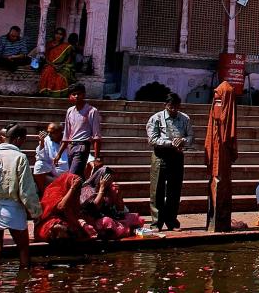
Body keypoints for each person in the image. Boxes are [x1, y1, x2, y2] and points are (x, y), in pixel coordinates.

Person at [0, 124, 42, 271]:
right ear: (18, 139)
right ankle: (23, 283)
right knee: (23, 248)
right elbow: (26, 191)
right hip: (12, 208)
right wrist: (36, 212)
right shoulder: (20, 157)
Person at [147, 93, 193, 231]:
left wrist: (183, 141)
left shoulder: (185, 118)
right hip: (161, 155)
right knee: (157, 189)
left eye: (176, 107)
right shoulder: (155, 118)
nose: (173, 110)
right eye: (171, 107)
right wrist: (171, 143)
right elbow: (152, 139)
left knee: (174, 189)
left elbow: (190, 136)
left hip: (177, 155)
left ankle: (171, 221)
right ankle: (156, 222)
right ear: (166, 106)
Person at [204, 81, 239, 232]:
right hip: (216, 151)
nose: (216, 104)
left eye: (219, 101)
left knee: (222, 182)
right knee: (214, 180)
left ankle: (221, 221)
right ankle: (213, 222)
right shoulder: (213, 127)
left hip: (223, 156)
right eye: (215, 101)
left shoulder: (228, 132)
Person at [80, 165, 143, 239]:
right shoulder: (87, 189)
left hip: (111, 216)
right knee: (107, 222)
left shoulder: (109, 189)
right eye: (108, 179)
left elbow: (120, 209)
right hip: (93, 219)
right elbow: (93, 208)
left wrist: (119, 195)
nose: (111, 182)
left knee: (133, 217)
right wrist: (101, 189)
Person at [57, 83, 101, 177]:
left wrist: (97, 158)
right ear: (70, 96)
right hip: (70, 146)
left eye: (79, 94)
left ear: (84, 94)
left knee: (72, 176)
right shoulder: (70, 111)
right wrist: (59, 154)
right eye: (74, 94)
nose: (76, 96)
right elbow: (66, 135)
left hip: (82, 146)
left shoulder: (92, 111)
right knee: (77, 176)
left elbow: (96, 136)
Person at [34, 173, 92, 241]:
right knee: (56, 224)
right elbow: (61, 206)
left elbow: (75, 211)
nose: (77, 189)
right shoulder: (54, 189)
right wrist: (72, 188)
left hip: (65, 219)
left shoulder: (75, 193)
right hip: (48, 220)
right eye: (77, 186)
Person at [38, 27, 75, 97]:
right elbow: (46, 58)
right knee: (48, 70)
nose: (58, 36)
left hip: (62, 66)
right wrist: (53, 65)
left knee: (61, 77)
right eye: (57, 34)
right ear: (54, 34)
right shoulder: (49, 44)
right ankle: (46, 92)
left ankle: (57, 93)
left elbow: (69, 59)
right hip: (50, 64)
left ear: (63, 36)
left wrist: (62, 65)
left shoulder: (66, 46)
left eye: (60, 34)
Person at [33, 122, 68, 193]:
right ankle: (44, 193)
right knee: (38, 165)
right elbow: (41, 158)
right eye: (48, 132)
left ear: (60, 133)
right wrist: (42, 143)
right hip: (53, 172)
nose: (49, 135)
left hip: (69, 172)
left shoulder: (68, 139)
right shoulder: (47, 139)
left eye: (52, 133)